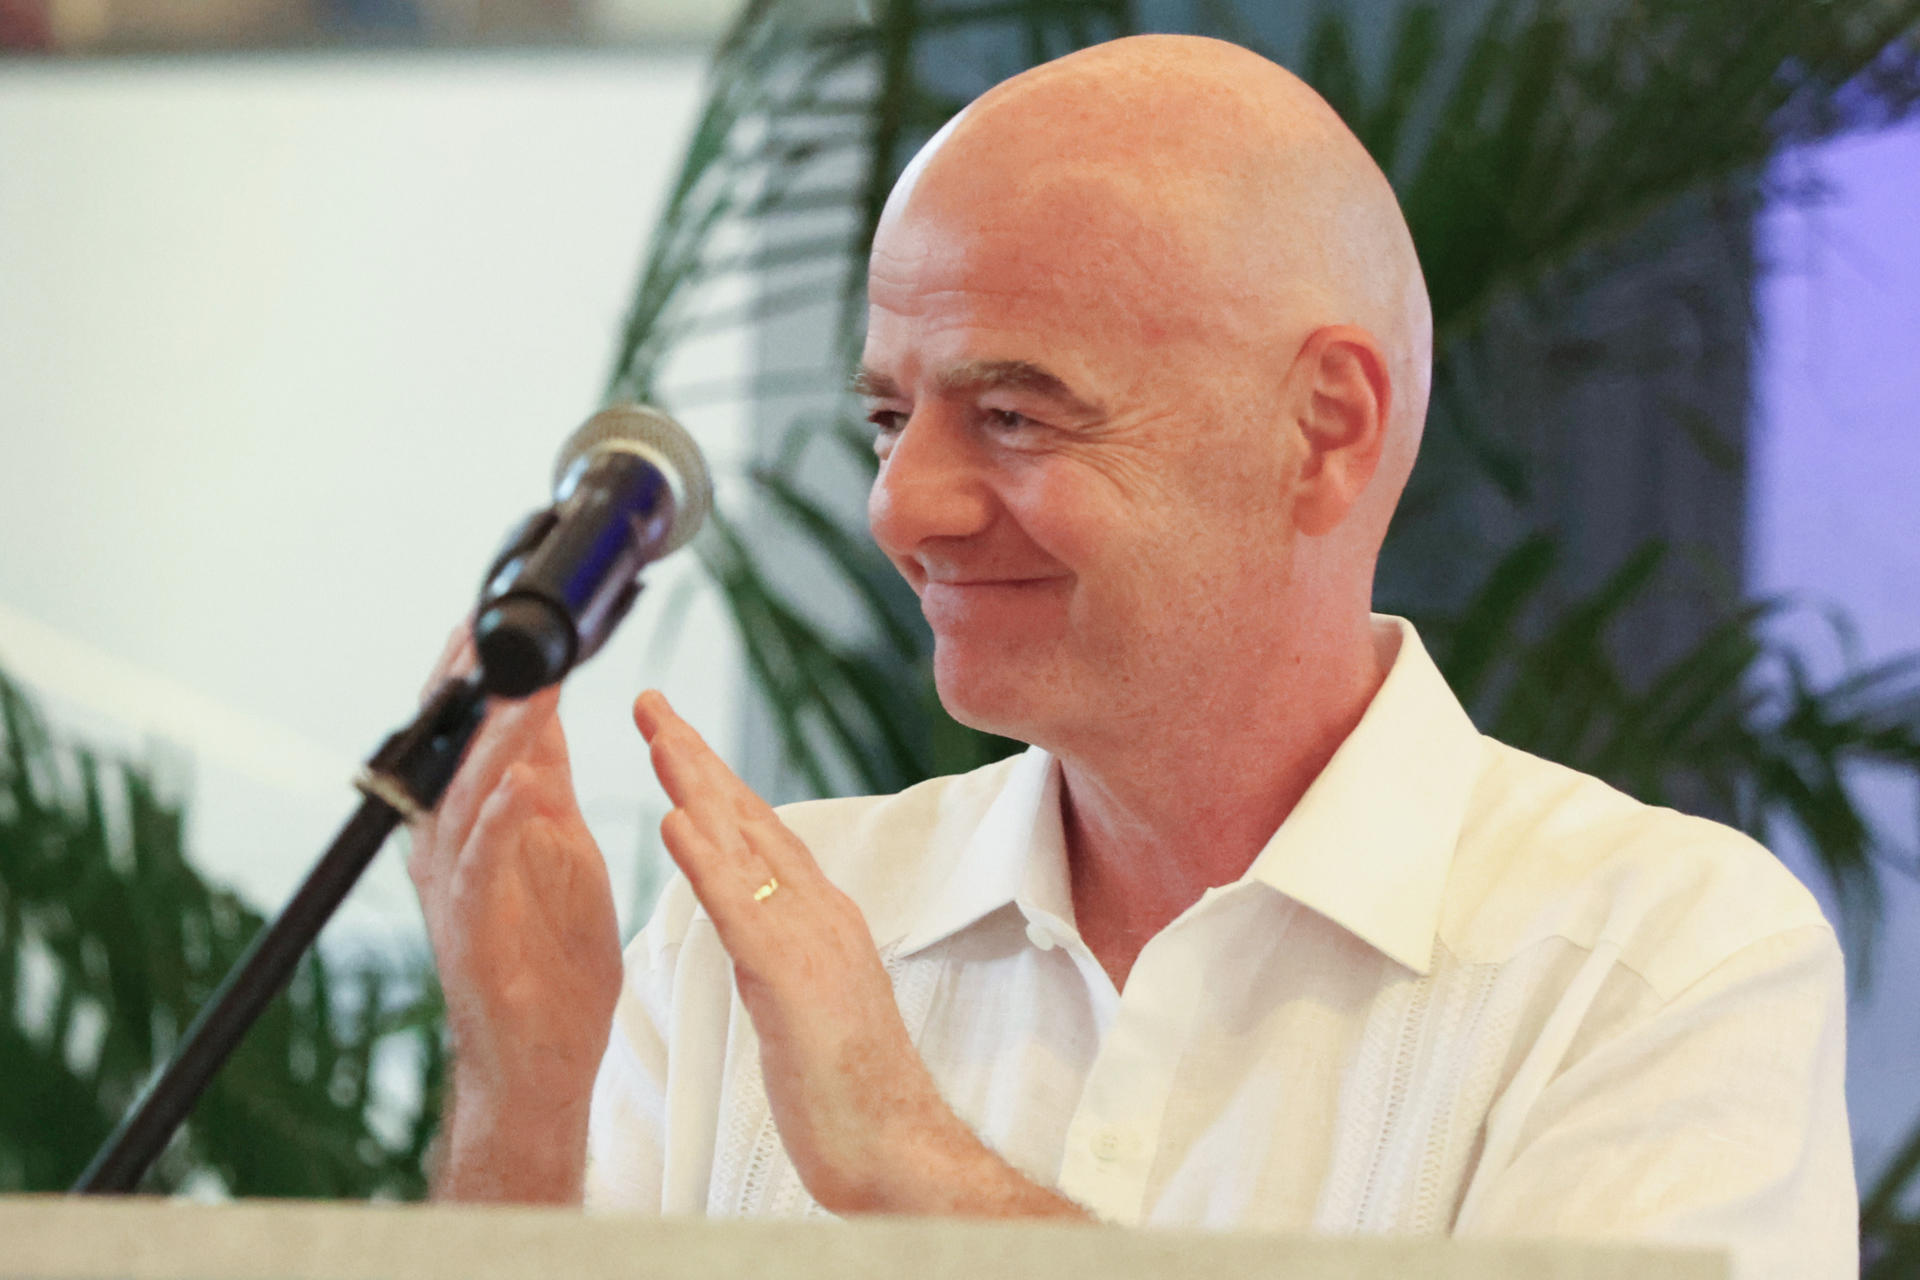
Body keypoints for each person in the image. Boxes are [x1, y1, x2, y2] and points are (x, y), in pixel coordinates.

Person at [406, 33, 1855, 1276]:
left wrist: (917, 1167)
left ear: (1326, 430)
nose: (902, 506)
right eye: (887, 417)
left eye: (1016, 415)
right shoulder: (750, 935)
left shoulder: (1655, 962)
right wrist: (525, 1099)